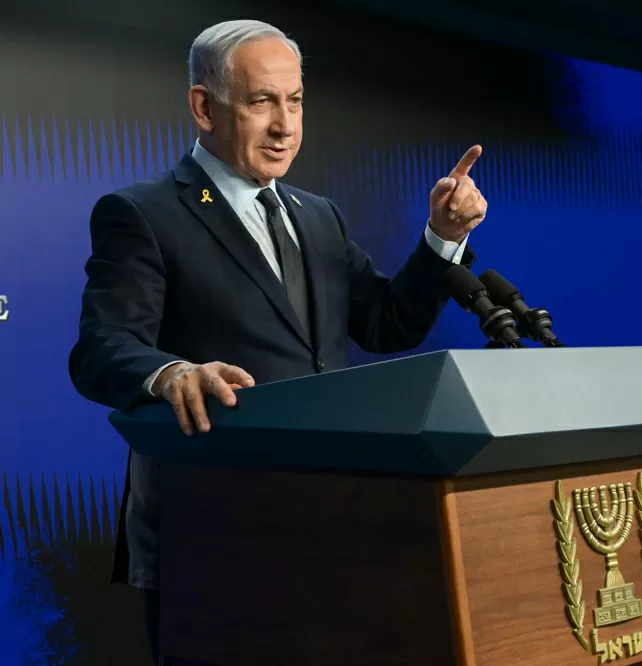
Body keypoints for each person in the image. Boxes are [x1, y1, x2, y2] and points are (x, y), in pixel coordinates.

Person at [67, 19, 488, 664]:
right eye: (262, 101)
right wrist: (172, 373)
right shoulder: (143, 213)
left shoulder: (317, 216)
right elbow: (101, 347)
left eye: (294, 101)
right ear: (204, 107)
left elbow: (386, 325)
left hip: (334, 523)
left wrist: (441, 238)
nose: (285, 125)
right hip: (213, 532)